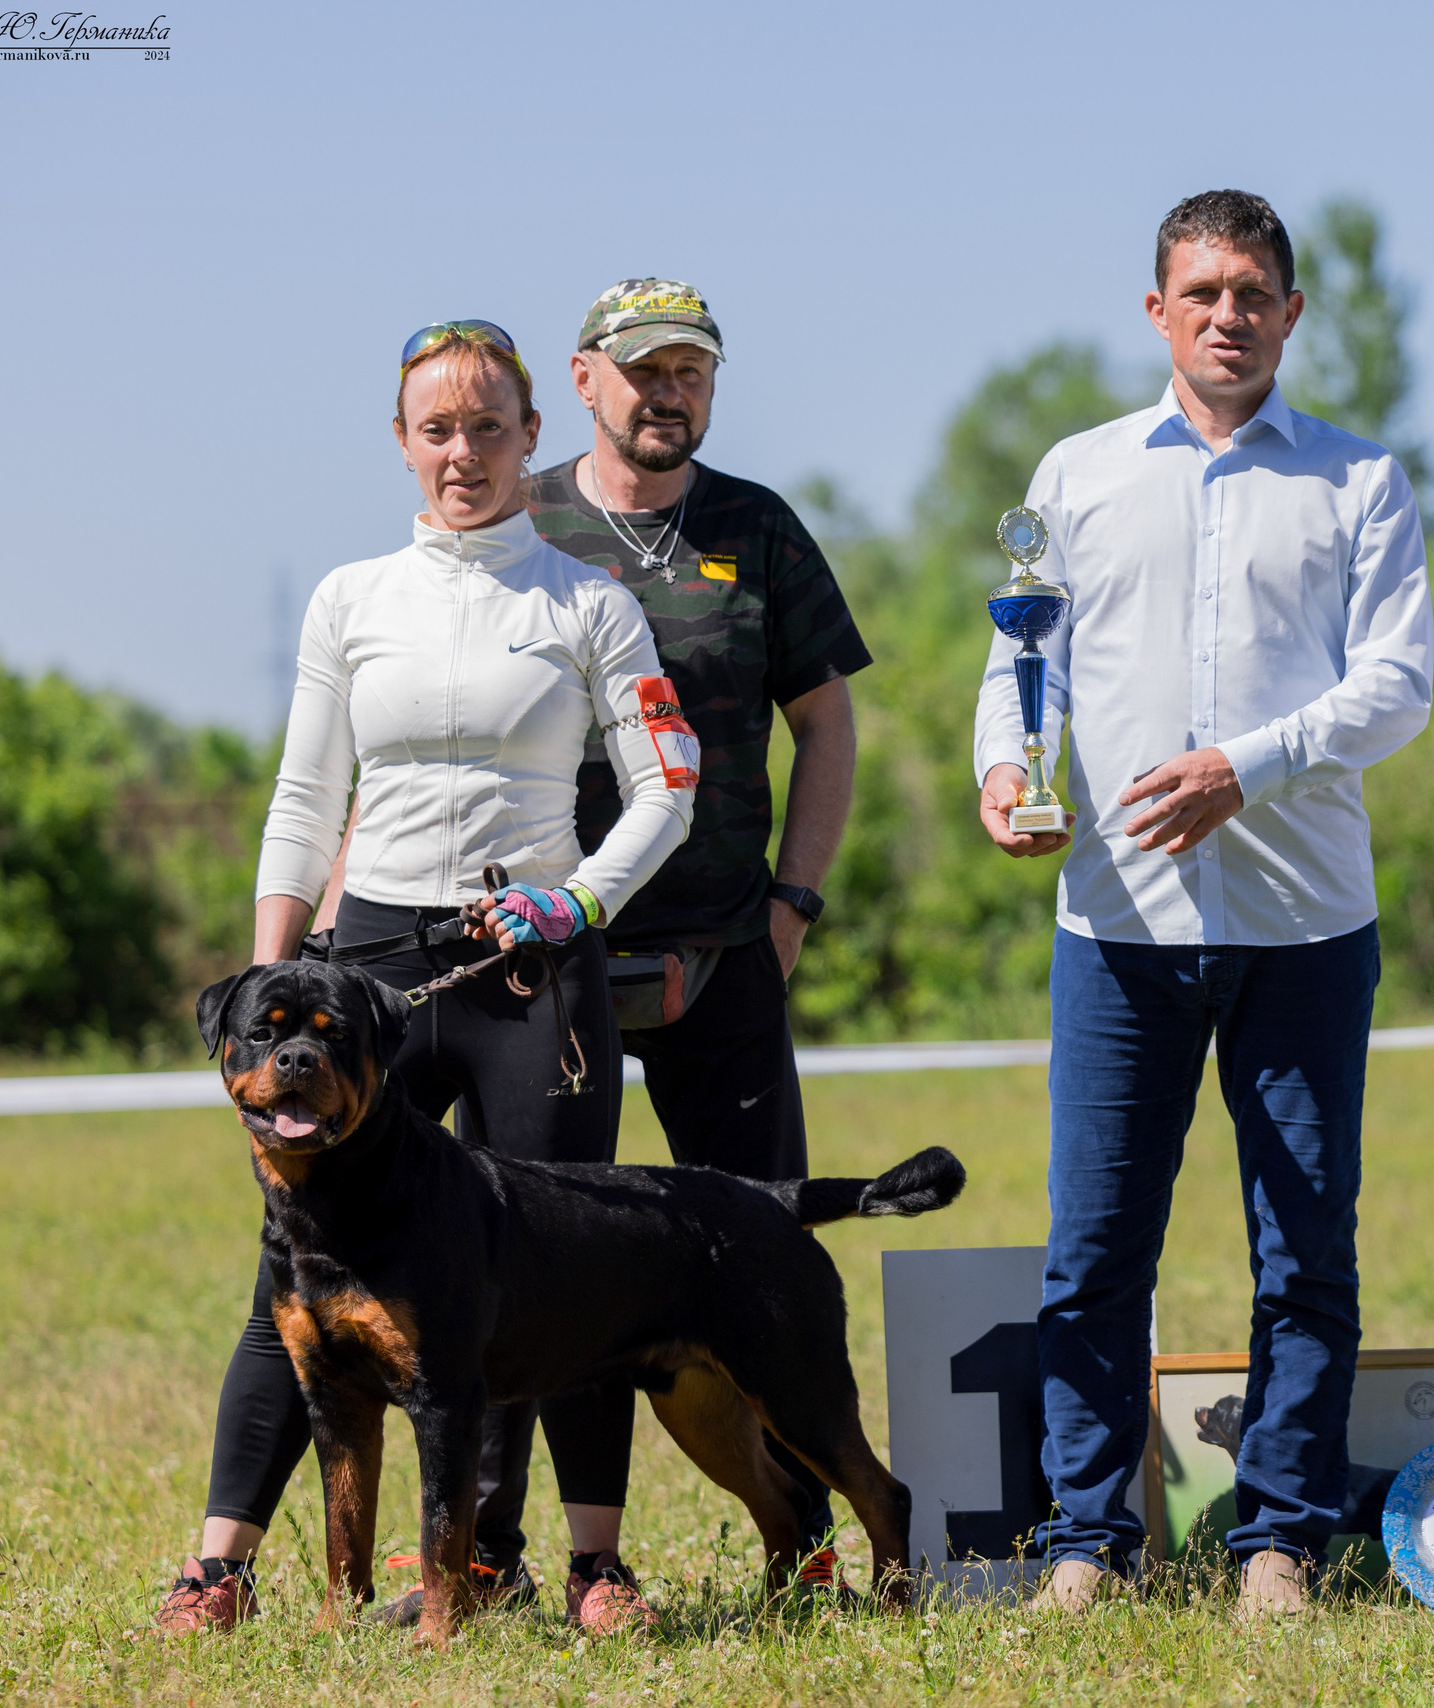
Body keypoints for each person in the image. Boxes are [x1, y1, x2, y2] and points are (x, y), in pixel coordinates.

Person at [152, 320, 696, 1636]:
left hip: (533, 968)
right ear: (402, 444)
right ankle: (219, 1568)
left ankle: (584, 1565)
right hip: (365, 972)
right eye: (436, 429)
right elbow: (304, 798)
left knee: (574, 1269)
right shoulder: (351, 599)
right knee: (297, 1285)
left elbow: (670, 787)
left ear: (530, 437)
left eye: (488, 426)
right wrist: (268, 982)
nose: (463, 452)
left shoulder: (590, 600)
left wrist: (577, 903)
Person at [973, 190, 1433, 1618]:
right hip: (1117, 927)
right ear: (1157, 311)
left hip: (1305, 928)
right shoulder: (1078, 472)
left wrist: (1250, 764)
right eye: (1203, 290)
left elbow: (1397, 689)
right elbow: (1020, 659)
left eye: (1254, 291)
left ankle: (1281, 1541)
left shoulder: (1362, 482)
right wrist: (1004, 767)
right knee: (1093, 1252)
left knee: (1306, 1252)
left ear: (1293, 313)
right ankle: (1087, 1544)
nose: (1228, 313)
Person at [496, 276, 871, 1602]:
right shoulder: (517, 512)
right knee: (543, 1261)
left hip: (725, 958)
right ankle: (529, 1558)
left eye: (693, 371)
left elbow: (827, 724)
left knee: (767, 1257)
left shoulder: (758, 528)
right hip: (549, 963)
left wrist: (791, 907)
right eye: (644, 368)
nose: (670, 391)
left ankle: (812, 1548)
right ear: (586, 379)